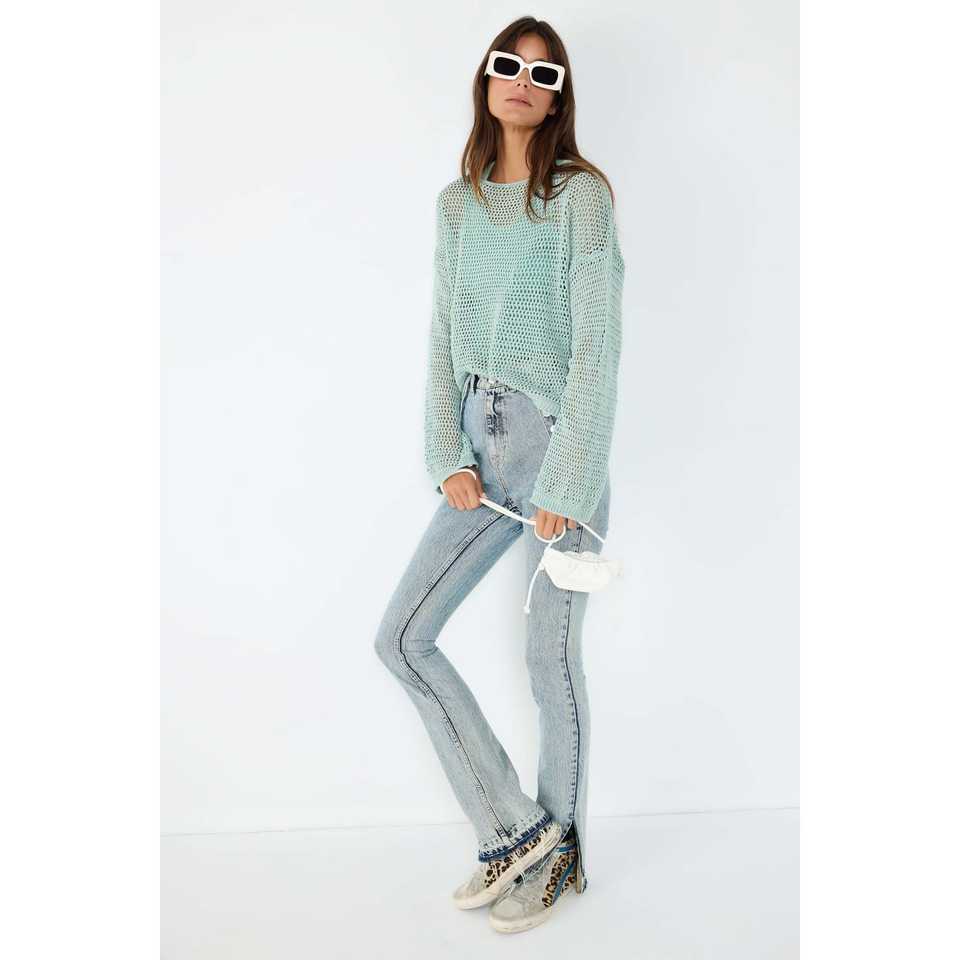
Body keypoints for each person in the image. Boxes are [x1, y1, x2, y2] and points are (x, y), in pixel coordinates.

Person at [374, 17, 625, 934]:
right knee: (404, 638)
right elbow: (443, 331)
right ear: (486, 81)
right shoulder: (458, 204)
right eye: (508, 66)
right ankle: (520, 832)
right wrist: (445, 452)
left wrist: (569, 478)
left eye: (543, 74)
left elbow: (598, 342)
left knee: (548, 659)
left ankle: (563, 858)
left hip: (555, 444)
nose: (523, 80)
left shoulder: (580, 197)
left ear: (557, 99)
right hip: (482, 452)